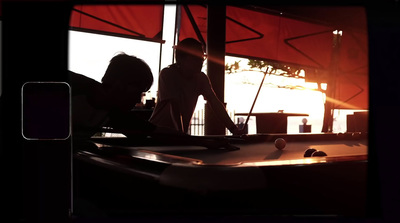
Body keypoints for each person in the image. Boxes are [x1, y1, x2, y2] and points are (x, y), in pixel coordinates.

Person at [69, 52, 235, 150]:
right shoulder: (70, 87)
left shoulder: (114, 114)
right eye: (138, 91)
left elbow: (157, 131)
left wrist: (205, 142)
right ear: (120, 84)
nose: (137, 100)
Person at [149, 38, 245, 135]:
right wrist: (181, 133)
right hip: (157, 133)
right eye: (196, 57)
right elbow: (174, 106)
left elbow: (215, 103)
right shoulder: (168, 74)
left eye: (202, 56)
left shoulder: (201, 78)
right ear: (181, 58)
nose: (201, 60)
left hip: (179, 135)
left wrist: (233, 129)